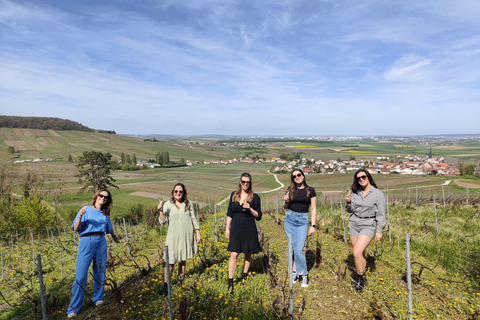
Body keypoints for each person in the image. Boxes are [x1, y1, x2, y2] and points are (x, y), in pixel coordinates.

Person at [67, 189, 120, 318]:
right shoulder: (85, 210)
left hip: (101, 242)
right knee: (80, 276)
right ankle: (73, 308)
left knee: (100, 271)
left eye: (106, 197)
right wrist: (80, 216)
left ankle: (97, 298)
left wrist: (114, 237)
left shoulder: (105, 213)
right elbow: (75, 228)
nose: (103, 198)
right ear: (96, 197)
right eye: (101, 196)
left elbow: (109, 227)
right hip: (86, 241)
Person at [345, 169, 386, 292]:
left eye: (363, 177)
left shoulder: (378, 194)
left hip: (368, 224)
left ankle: (360, 278)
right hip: (354, 223)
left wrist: (379, 230)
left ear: (368, 177)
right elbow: (350, 210)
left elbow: (381, 213)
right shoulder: (355, 193)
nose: (361, 179)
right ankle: (362, 276)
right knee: (359, 253)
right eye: (358, 178)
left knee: (356, 252)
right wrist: (348, 203)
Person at [157, 183, 201, 296]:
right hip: (173, 238)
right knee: (170, 262)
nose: (178, 193)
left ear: (183, 193)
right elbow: (162, 221)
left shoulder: (188, 203)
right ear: (173, 192)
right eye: (176, 191)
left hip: (186, 236)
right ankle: (166, 286)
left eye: (180, 191)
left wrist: (198, 232)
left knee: (183, 260)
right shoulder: (167, 204)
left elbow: (193, 218)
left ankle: (180, 282)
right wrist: (160, 210)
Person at [226, 173, 262, 293]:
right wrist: (227, 228)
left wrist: (250, 208)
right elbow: (230, 213)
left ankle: (244, 275)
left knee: (247, 253)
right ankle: (230, 281)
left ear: (250, 183)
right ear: (240, 182)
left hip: (248, 228)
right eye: (243, 181)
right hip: (236, 228)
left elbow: (258, 216)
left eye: (247, 182)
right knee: (234, 254)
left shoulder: (255, 197)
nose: (245, 184)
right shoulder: (234, 195)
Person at [283, 168, 317, 288]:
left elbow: (313, 209)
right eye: (294, 176)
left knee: (299, 249)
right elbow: (285, 207)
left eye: (299, 175)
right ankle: (294, 273)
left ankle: (304, 274)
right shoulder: (290, 189)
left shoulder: (310, 191)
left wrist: (312, 225)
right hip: (290, 219)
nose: (297, 177)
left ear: (303, 175)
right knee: (292, 248)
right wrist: (285, 201)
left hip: (303, 221)